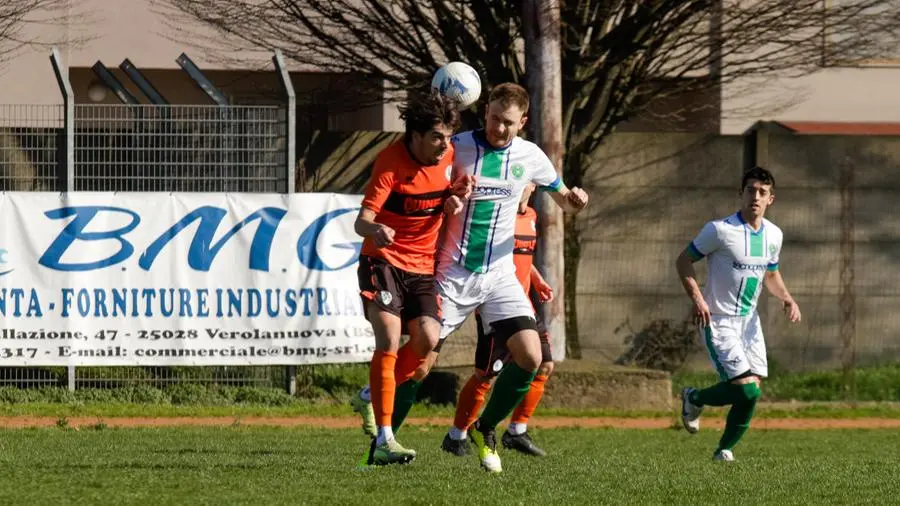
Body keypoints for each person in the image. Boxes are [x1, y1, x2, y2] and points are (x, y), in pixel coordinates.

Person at [426, 82, 587, 473]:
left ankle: (486, 428)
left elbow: (565, 200)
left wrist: (576, 202)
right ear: (485, 113)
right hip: (453, 272)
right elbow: (428, 188)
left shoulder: (531, 157)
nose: (499, 128)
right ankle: (383, 429)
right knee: (422, 361)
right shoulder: (457, 146)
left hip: (499, 282)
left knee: (532, 358)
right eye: (494, 119)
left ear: (523, 122)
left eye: (508, 123)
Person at [350, 90, 471, 467]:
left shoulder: (450, 157)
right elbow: (361, 222)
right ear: (415, 135)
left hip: (421, 266)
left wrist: (457, 199)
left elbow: (452, 193)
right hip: (383, 261)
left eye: (449, 137)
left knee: (427, 341)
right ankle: (385, 439)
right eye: (436, 137)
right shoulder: (390, 162)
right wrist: (376, 229)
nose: (444, 145)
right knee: (388, 336)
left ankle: (371, 393)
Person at [676, 166, 802, 462]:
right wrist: (697, 299)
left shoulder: (774, 235)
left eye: (762, 192)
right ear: (741, 193)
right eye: (750, 190)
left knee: (752, 390)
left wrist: (787, 298)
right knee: (747, 392)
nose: (755, 197)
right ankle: (693, 398)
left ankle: (723, 450)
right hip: (718, 319)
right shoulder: (719, 230)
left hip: (749, 323)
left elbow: (771, 273)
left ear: (771, 199)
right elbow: (683, 261)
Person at [440, 183, 555, 458]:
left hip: (525, 305)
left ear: (533, 186)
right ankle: (457, 435)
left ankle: (517, 431)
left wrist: (536, 281)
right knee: (486, 375)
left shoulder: (531, 217)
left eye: (527, 180)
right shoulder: (496, 216)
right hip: (497, 307)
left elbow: (522, 258)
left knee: (543, 365)